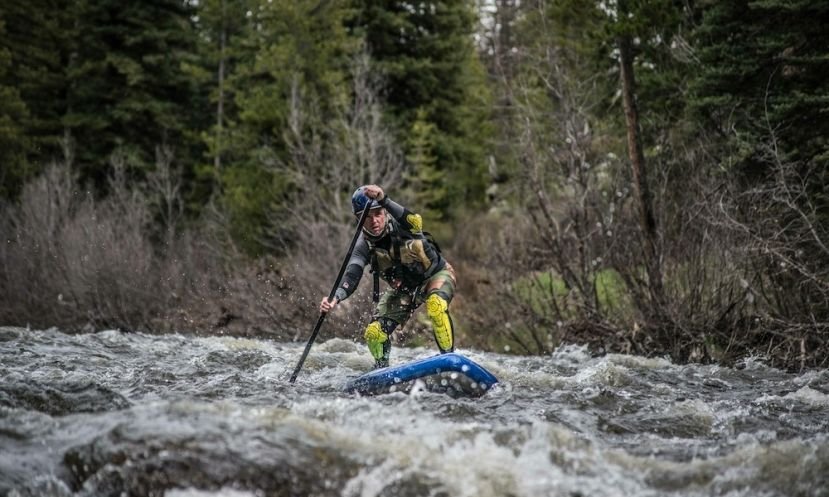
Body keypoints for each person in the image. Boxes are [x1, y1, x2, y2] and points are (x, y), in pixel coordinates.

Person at [319, 184, 457, 368]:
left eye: (378, 214)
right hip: (404, 291)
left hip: (435, 276)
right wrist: (335, 298)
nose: (374, 221)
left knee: (436, 306)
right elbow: (352, 275)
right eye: (366, 217)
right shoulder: (363, 246)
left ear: (385, 212)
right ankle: (383, 373)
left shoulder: (403, 224)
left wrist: (384, 199)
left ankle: (449, 360)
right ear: (358, 219)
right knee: (374, 333)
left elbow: (414, 220)